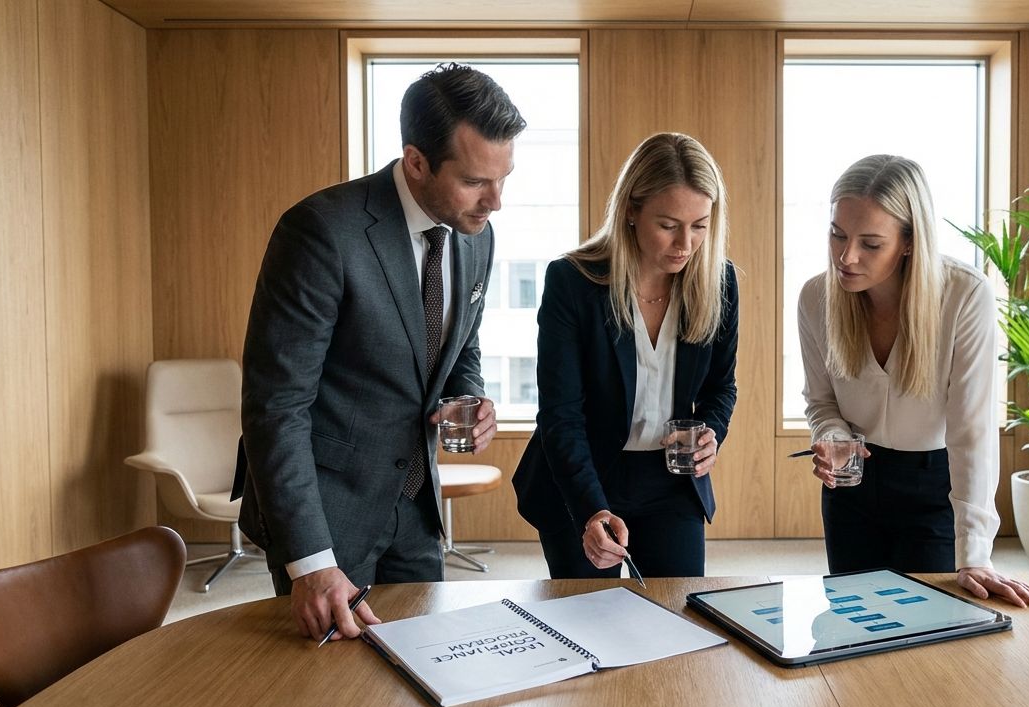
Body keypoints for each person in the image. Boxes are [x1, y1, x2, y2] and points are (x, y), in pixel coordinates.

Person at [236, 63, 525, 641]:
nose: (495, 201)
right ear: (416, 161)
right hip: (329, 517)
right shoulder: (320, 231)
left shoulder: (477, 235)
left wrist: (468, 396)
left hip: (417, 509)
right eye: (475, 181)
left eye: (504, 178)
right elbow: (276, 408)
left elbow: (461, 342)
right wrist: (311, 562)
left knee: (425, 661)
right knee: (326, 687)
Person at [797, 154, 1029, 608]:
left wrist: (975, 555)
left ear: (909, 242)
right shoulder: (815, 297)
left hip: (934, 488)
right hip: (851, 487)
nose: (846, 256)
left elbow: (972, 432)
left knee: (931, 624)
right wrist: (832, 435)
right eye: (837, 234)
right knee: (851, 621)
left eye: (871, 243)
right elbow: (821, 401)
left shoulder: (965, 295)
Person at [512, 132, 738, 579]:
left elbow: (721, 387)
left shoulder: (720, 281)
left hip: (671, 480)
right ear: (632, 210)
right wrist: (591, 509)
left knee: (674, 610)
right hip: (580, 476)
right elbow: (560, 415)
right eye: (668, 225)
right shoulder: (572, 282)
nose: (685, 243)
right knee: (586, 613)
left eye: (700, 225)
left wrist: (711, 433)